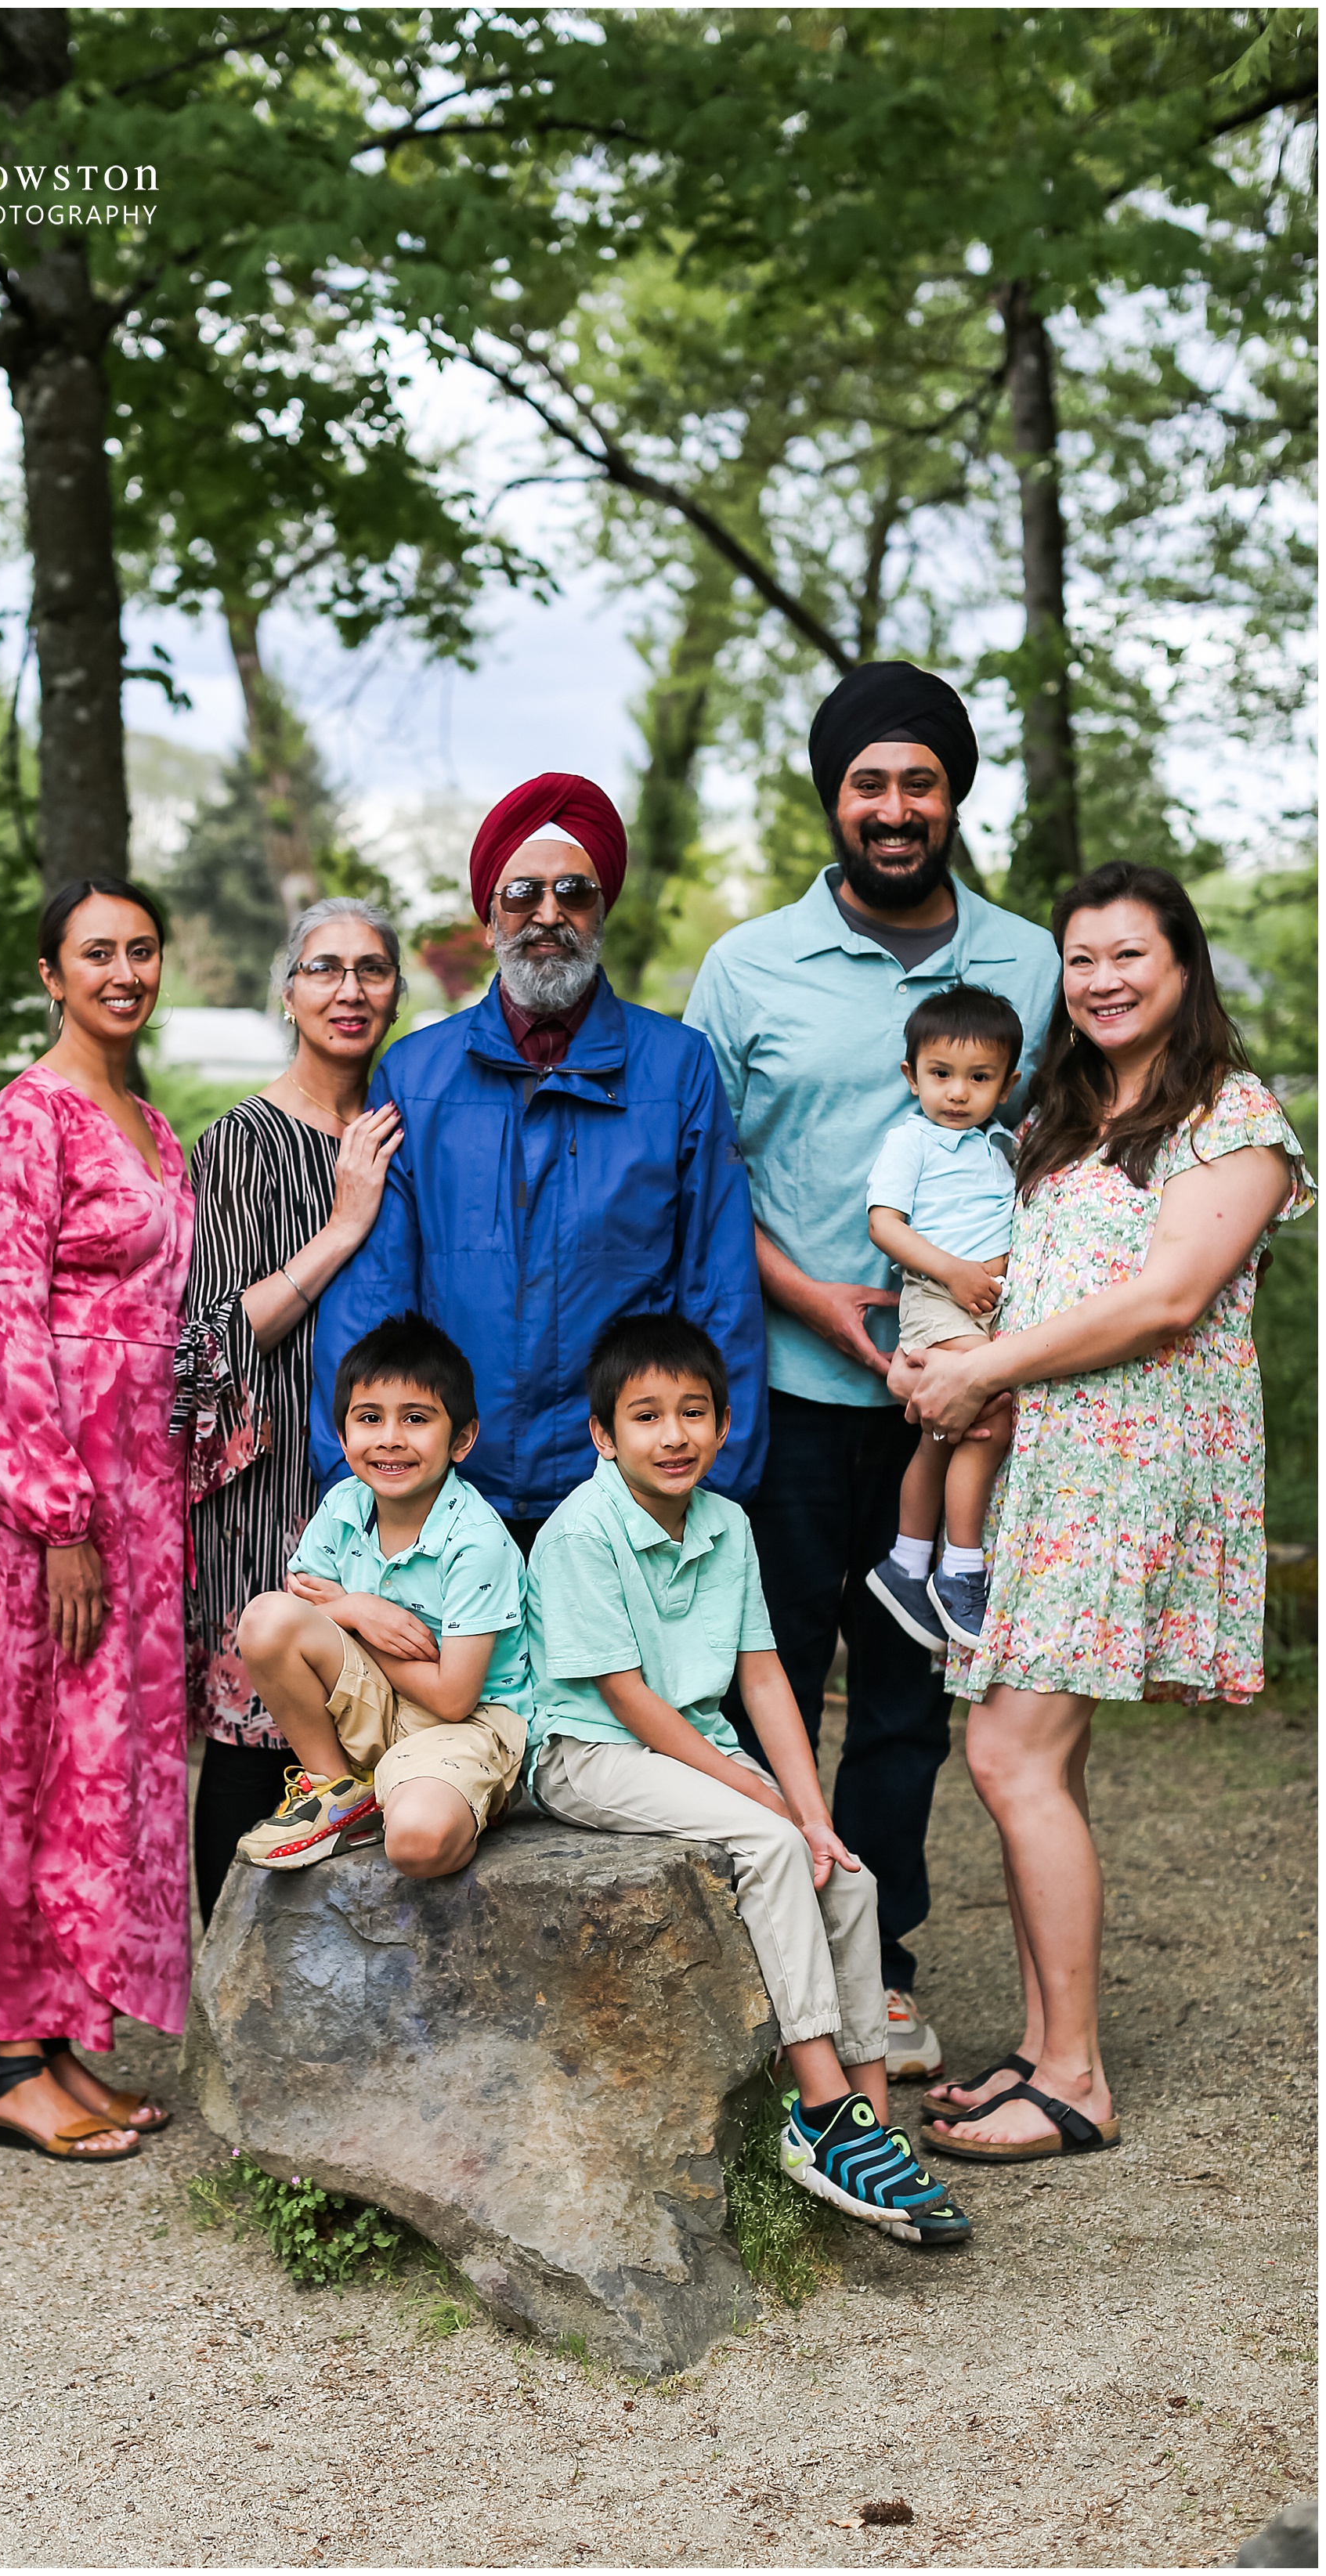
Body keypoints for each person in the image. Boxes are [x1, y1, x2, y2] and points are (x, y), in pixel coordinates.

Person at [891, 864, 1311, 2167]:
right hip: (1039, 1460)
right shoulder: (1060, 1114)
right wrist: (942, 1357)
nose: (1107, 979)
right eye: (1083, 959)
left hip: (1128, 1471)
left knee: (1013, 1757)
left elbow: (1167, 1300)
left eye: (1132, 953)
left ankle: (1074, 2078)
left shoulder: (1231, 1118)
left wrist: (988, 1369)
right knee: (1033, 1760)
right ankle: (1035, 2043)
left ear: (1183, 966)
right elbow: (1028, 1285)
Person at [685, 663, 1060, 2084]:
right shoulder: (749, 966)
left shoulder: (1030, 961)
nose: (894, 809)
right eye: (869, 784)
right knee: (761, 1672)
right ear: (833, 801)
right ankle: (757, 1949)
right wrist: (820, 1305)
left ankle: (880, 1962)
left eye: (919, 781)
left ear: (952, 795)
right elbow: (705, 1174)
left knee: (906, 1699)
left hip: (960, 1402)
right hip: (786, 1393)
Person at [524, 1313, 970, 2248]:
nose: (674, 1433)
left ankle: (873, 2128)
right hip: (591, 1751)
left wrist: (813, 1812)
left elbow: (763, 1675)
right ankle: (819, 2110)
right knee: (766, 1843)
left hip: (689, 1747)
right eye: (646, 1416)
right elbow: (624, 1694)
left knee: (842, 1870)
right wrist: (753, 1792)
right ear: (603, 1435)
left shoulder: (726, 1522)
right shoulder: (581, 1530)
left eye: (694, 1412)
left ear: (726, 1425)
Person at [0, 877, 193, 2165]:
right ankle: (12, 2060)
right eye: (96, 954)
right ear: (50, 975)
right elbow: (6, 1326)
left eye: (141, 951)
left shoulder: (156, 1124)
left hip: (144, 1503)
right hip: (49, 1508)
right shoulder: (27, 1118)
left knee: (104, 1775)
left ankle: (66, 2037)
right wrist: (60, 1515)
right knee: (32, 1768)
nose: (123, 972)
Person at [309, 773, 766, 1555]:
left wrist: (716, 1485)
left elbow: (717, 1284)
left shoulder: (678, 1068)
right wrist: (352, 1485)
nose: (547, 913)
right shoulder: (414, 1076)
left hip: (626, 1496)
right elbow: (375, 1294)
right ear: (489, 917)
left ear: (602, 911)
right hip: (448, 1497)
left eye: (573, 892)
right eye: (522, 893)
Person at [172, 897, 405, 1925]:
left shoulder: (406, 1124)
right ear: (288, 992)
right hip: (267, 1478)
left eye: (371, 968)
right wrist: (344, 1225)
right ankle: (233, 2000)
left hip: (389, 1474)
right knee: (259, 1731)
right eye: (324, 968)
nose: (349, 988)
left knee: (368, 1735)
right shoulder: (238, 1142)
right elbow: (209, 1341)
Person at [235, 1315, 531, 1881]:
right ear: (342, 1436)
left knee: (417, 1843)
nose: (390, 1437)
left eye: (415, 1419)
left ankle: (449, 1798)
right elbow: (299, 1608)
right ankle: (339, 1794)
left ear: (462, 1438)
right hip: (380, 1707)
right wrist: (354, 1610)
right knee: (266, 1619)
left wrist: (346, 1617)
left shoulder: (475, 1539)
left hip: (466, 1727)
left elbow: (453, 1697)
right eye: (369, 1419)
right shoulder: (344, 1506)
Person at [863, 983, 1024, 1651]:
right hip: (938, 1294)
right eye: (941, 1075)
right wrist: (955, 1272)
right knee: (989, 1417)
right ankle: (959, 1567)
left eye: (979, 1078)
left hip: (987, 1301)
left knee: (945, 1432)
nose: (958, 1092)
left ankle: (905, 1562)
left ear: (1007, 1084)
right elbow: (884, 1225)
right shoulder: (913, 1141)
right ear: (912, 1076)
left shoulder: (1003, 1146)